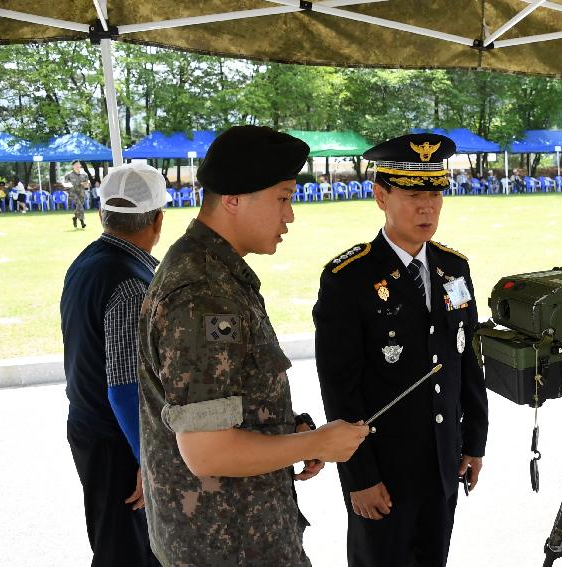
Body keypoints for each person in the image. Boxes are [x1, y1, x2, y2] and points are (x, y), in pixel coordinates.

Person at [137, 125, 369, 567]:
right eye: (282, 198)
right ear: (233, 200)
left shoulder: (217, 273)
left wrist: (288, 431)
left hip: (240, 533)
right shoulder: (201, 293)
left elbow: (232, 398)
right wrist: (314, 443)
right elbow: (208, 451)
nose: (291, 215)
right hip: (226, 545)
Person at [314, 133, 489, 567]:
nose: (427, 207)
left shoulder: (453, 266)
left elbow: (466, 357)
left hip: (443, 458)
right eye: (413, 194)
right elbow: (339, 387)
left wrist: (475, 441)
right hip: (384, 469)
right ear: (380, 196)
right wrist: (360, 476)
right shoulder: (349, 277)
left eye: (435, 193)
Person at [60, 162, 169, 567]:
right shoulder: (128, 281)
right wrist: (148, 459)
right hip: (119, 441)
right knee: (127, 553)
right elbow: (125, 389)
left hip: (97, 430)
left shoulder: (90, 259)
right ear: (158, 220)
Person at [64, 160, 91, 228]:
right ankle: (82, 222)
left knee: (79, 206)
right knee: (80, 205)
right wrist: (78, 184)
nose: (77, 166)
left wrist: (86, 185)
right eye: (76, 165)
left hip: (81, 193)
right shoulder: (69, 175)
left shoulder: (84, 174)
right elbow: (66, 185)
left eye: (78, 164)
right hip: (73, 192)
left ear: (80, 165)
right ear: (73, 166)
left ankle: (75, 218)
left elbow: (87, 184)